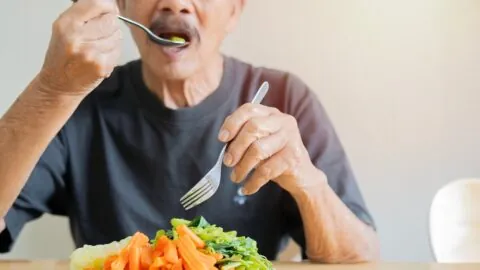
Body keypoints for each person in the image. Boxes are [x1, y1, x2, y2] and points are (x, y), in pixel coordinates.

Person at [0, 0, 379, 263]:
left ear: (233, 11)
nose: (175, 4)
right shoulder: (78, 102)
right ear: (122, 7)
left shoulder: (284, 99)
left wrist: (307, 183)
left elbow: (360, 257)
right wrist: (51, 91)